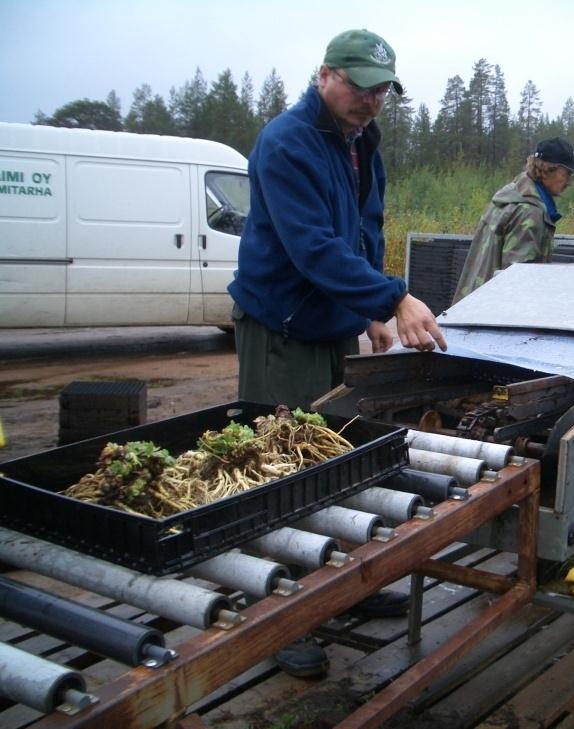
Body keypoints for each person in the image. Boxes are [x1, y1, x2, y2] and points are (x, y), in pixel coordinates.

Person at [228, 28, 446, 679]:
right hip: (281, 326)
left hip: (329, 322)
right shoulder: (287, 142)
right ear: (325, 75)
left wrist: (366, 313)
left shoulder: (362, 144)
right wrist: (395, 299)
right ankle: (273, 608)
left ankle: (331, 588)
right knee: (277, 467)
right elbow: (314, 248)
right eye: (358, 84)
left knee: (334, 456)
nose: (370, 99)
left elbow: (363, 232)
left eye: (381, 89)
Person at [452, 137, 574, 304]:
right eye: (567, 173)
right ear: (547, 170)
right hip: (492, 316)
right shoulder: (529, 212)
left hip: (472, 304)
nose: (569, 182)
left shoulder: (511, 195)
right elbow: (516, 284)